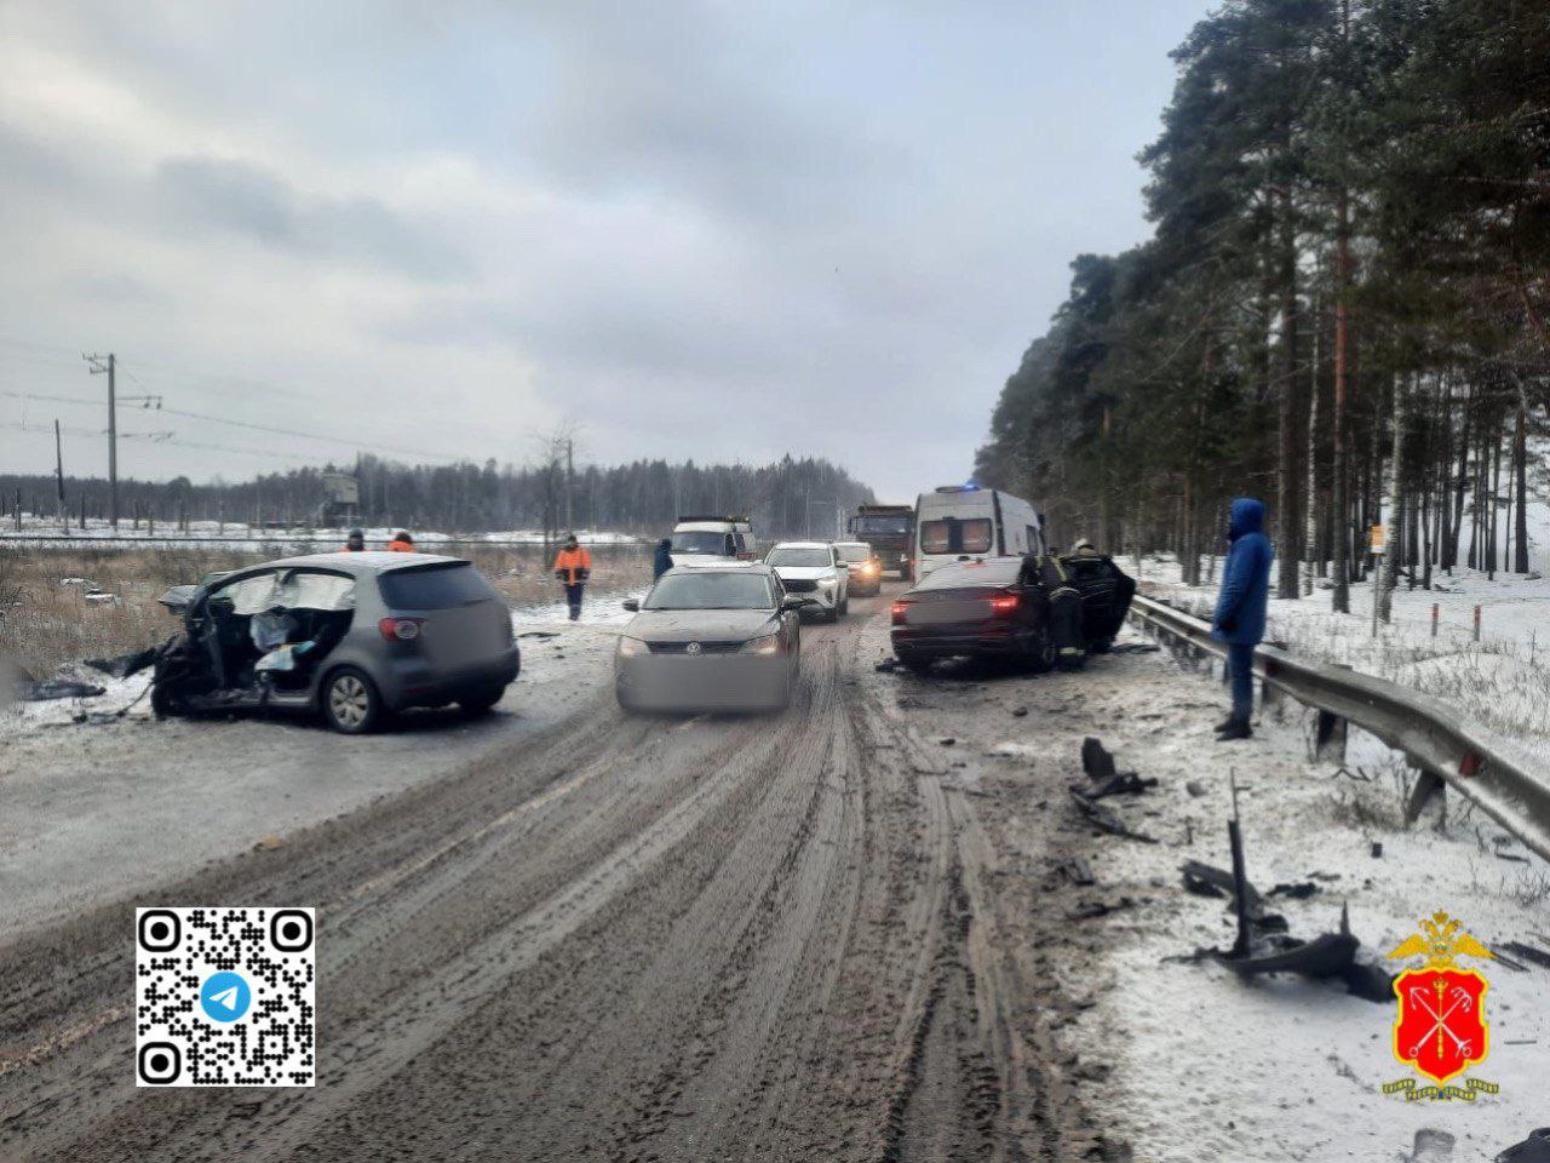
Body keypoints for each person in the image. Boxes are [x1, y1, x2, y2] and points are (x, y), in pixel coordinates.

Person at [1211, 497, 1274, 741]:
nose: (1230, 521)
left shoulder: (1248, 544)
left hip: (1239, 619)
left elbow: (1236, 585)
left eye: (1233, 516)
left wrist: (1224, 614)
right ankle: (1238, 716)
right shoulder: (1258, 541)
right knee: (1240, 671)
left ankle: (1242, 722)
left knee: (1240, 673)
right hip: (1248, 618)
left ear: (1243, 517)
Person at [1019, 552, 1085, 669]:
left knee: (1063, 631)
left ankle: (1068, 663)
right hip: (1075, 597)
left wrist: (1020, 581)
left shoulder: (1039, 560)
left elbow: (1028, 562)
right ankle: (1079, 660)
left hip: (1061, 598)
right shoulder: (1059, 561)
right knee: (1075, 629)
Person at [553, 533, 593, 621]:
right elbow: (559, 563)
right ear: (568, 542)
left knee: (577, 597)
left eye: (573, 542)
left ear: (575, 542)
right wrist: (558, 574)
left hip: (579, 579)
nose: (571, 543)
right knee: (570, 597)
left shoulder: (582, 551)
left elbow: (587, 563)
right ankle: (573, 613)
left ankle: (576, 614)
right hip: (567, 579)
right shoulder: (563, 552)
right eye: (570, 542)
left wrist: (585, 574)